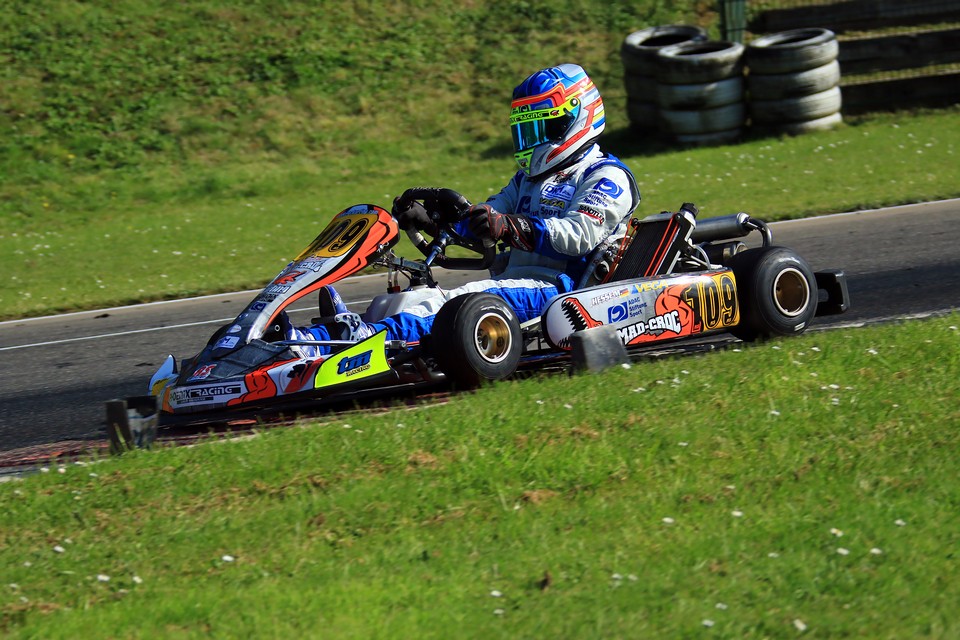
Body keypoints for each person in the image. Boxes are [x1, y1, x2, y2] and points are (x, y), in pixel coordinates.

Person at [287, 63, 640, 353]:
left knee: (450, 306)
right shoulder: (527, 179)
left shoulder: (605, 176)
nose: (534, 141)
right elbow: (486, 218)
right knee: (403, 302)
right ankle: (336, 334)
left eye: (543, 127)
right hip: (516, 282)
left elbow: (580, 236)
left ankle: (344, 343)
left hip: (559, 292)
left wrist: (511, 227)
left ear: (575, 118)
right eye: (527, 131)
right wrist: (432, 221)